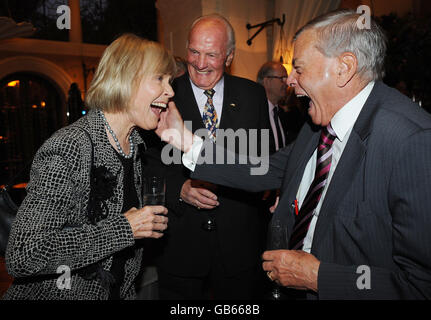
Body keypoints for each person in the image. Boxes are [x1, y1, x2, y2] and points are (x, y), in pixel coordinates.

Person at [158, 9, 431, 299]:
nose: (291, 82)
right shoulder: (319, 126)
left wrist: (319, 277)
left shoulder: (411, 141)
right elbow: (262, 170)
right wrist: (187, 141)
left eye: (299, 69)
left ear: (344, 67)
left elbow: (419, 284)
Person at [3, 34, 173, 300]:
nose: (170, 91)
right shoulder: (71, 146)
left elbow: (122, 264)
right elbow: (25, 253)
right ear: (127, 79)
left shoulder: (134, 145)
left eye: (170, 81)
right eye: (160, 78)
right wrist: (123, 229)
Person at [153, 14, 271, 300]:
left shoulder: (253, 95)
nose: (200, 63)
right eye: (194, 52)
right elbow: (147, 165)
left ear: (229, 56)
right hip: (181, 245)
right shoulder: (164, 95)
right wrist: (178, 190)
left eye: (211, 55)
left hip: (239, 245)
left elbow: (262, 163)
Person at [257, 61, 289, 153]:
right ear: (266, 81)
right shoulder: (254, 114)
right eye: (282, 78)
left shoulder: (283, 114)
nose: (286, 83)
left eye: (286, 78)